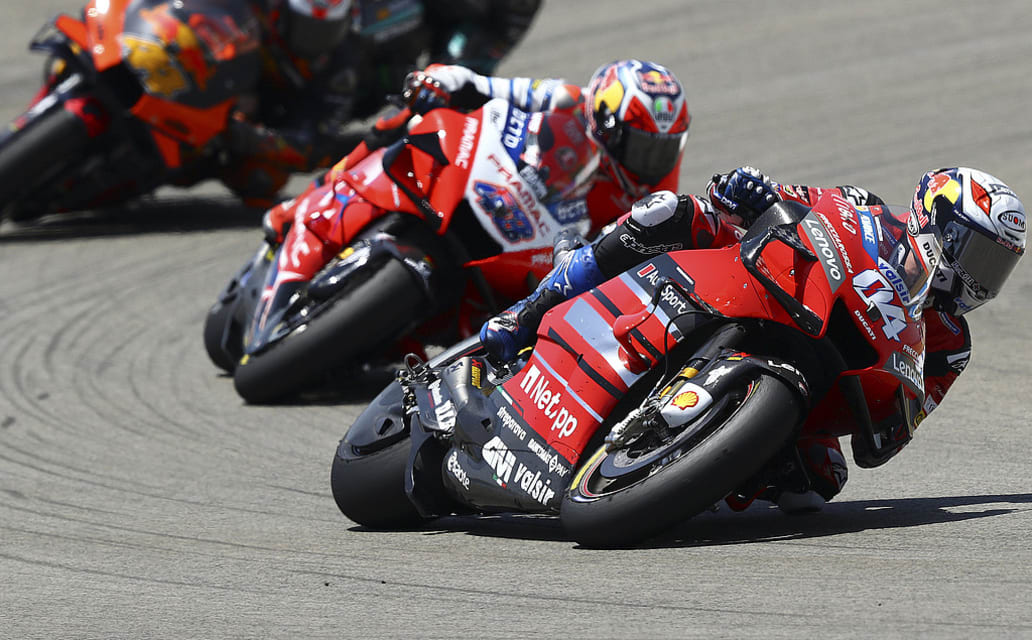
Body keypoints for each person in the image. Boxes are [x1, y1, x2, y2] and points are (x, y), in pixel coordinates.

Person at [478, 165, 1027, 513]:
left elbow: (891, 437)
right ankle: (531, 310)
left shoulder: (951, 345)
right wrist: (750, 189)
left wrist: (895, 414)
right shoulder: (866, 208)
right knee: (674, 211)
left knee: (818, 485)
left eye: (996, 268)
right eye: (978, 255)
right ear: (937, 220)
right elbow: (786, 199)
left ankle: (687, 471)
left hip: (823, 382)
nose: (980, 280)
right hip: (762, 289)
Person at [261, 57, 692, 249]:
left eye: (664, 148)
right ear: (605, 122)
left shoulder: (659, 191)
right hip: (504, 191)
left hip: (545, 254)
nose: (650, 162)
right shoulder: (566, 99)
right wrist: (444, 82)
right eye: (642, 146)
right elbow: (484, 87)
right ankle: (316, 193)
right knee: (411, 115)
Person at [221, 0, 544, 205]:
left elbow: (311, 146)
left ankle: (438, 187)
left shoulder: (343, 61)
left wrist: (246, 138)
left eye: (321, 32)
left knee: (443, 90)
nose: (311, 42)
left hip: (485, 20)